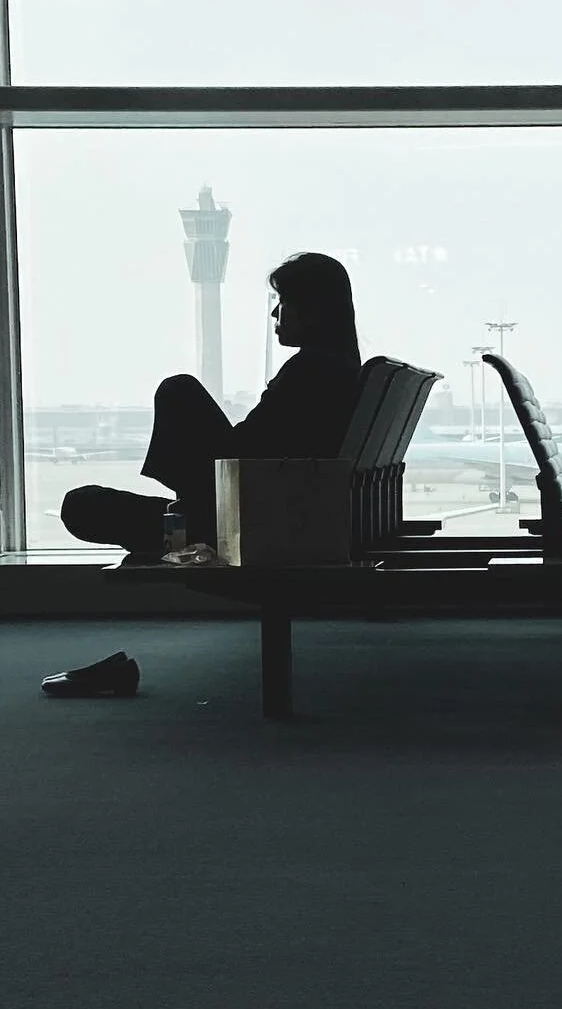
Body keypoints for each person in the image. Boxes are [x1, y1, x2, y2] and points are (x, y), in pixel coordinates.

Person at [42, 252, 362, 698]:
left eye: (284, 301)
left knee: (90, 496)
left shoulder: (310, 372)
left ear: (313, 309)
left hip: (247, 524)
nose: (275, 313)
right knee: (97, 497)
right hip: (271, 512)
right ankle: (186, 505)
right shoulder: (339, 369)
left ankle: (185, 514)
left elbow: (246, 454)